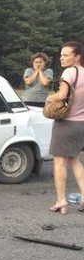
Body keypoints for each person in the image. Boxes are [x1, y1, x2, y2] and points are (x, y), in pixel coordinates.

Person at [45, 41, 84, 215]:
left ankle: (61, 201)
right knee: (74, 160)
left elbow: (61, 95)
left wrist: (49, 99)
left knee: (59, 162)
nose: (62, 58)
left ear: (77, 57)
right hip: (80, 124)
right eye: (61, 55)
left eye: (66, 55)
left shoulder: (69, 72)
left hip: (66, 123)